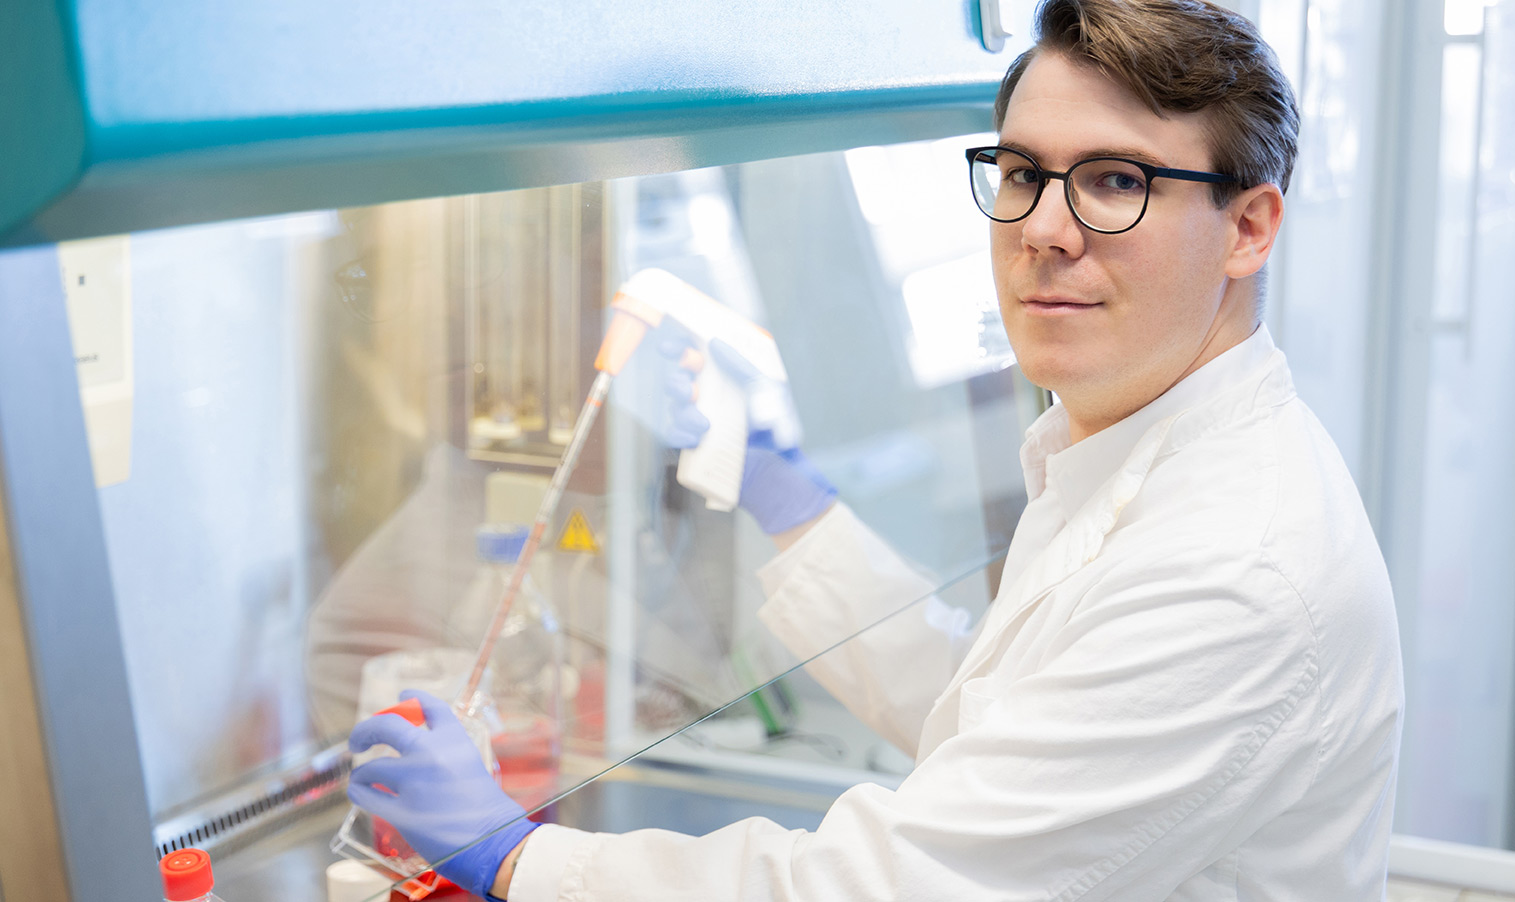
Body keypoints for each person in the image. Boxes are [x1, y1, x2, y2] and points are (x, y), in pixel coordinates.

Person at [344, 1, 1405, 899]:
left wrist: (517, 855)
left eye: (1116, 180)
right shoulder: (1131, 450)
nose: (1042, 228)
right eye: (1024, 172)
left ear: (1248, 226)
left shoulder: (1233, 564)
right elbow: (994, 720)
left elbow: (887, 883)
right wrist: (781, 494)